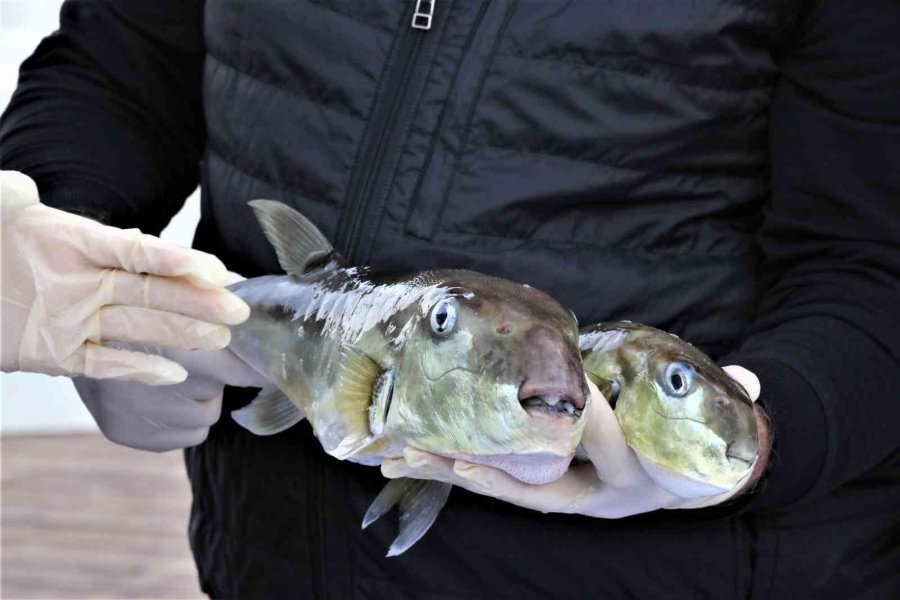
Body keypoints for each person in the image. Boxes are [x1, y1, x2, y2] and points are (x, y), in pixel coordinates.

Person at [1, 1, 898, 598]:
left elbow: (873, 262)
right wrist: (92, 292)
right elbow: (113, 73)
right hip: (273, 555)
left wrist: (759, 428)